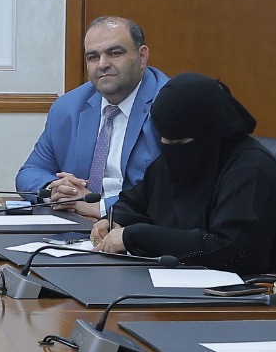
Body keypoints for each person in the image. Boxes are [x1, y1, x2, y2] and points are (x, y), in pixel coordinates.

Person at [88, 73, 276, 273]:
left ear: (207, 132)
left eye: (177, 142)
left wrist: (137, 237)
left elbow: (231, 250)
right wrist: (114, 220)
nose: (169, 149)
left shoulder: (251, 171)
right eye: (163, 140)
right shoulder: (174, 159)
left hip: (242, 290)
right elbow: (136, 201)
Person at [16, 17, 165, 217]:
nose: (102, 64)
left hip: (136, 226)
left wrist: (100, 207)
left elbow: (176, 192)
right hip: (75, 223)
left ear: (142, 56)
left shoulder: (168, 105)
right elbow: (30, 172)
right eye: (93, 57)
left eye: (115, 53)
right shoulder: (68, 107)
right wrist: (56, 190)